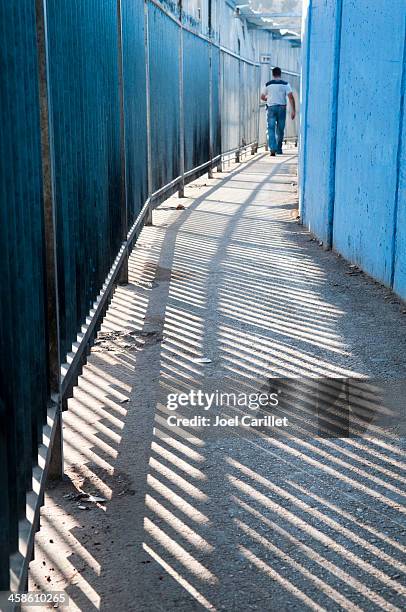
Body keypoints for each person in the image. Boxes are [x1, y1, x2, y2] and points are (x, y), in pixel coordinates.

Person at [261, 67, 296, 156]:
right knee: (280, 129)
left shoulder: (268, 84)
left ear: (273, 74)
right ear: (280, 74)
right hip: (282, 108)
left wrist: (267, 98)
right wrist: (293, 111)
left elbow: (262, 96)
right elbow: (291, 97)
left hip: (271, 108)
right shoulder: (285, 84)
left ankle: (272, 148)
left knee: (271, 128)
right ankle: (279, 149)